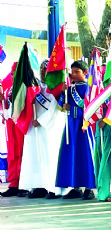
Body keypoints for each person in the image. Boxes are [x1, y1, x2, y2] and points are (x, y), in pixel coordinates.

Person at [18, 59, 66, 199]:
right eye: (42, 69)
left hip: (50, 127)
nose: (44, 71)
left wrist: (41, 121)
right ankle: (39, 186)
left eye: (47, 69)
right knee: (35, 157)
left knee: (50, 156)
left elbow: (54, 107)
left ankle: (53, 188)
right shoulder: (36, 86)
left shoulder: (56, 88)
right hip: (33, 126)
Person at [56, 60, 96, 200]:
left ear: (85, 72)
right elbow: (60, 106)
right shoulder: (69, 89)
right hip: (71, 126)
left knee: (86, 155)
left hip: (84, 127)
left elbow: (89, 107)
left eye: (76, 72)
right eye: (72, 72)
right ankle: (75, 186)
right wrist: (63, 95)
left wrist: (72, 108)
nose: (73, 74)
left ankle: (89, 188)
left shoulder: (89, 88)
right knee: (72, 155)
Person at [0, 62, 28, 197]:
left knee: (23, 153)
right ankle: (13, 184)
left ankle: (23, 184)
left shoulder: (26, 87)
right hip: (10, 126)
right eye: (11, 74)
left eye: (14, 74)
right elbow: (5, 106)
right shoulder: (7, 89)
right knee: (12, 155)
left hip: (22, 125)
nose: (12, 76)